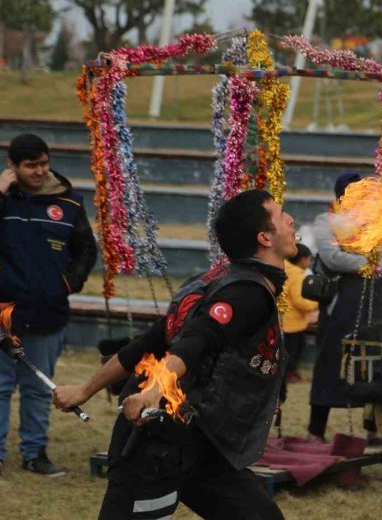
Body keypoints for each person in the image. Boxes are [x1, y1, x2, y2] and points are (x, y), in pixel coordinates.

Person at [53, 189, 295, 519]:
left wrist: (85, 390)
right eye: (282, 216)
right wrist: (153, 390)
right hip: (155, 443)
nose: (291, 220)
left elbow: (147, 345)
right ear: (264, 237)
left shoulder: (218, 281)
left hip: (202, 441)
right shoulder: (246, 294)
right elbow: (195, 340)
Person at [0, 134, 97, 479]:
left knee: (39, 387)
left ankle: (35, 453)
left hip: (48, 311)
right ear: (12, 165)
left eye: (44, 163)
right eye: (31, 165)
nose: (39, 171)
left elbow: (86, 251)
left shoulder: (70, 203)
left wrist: (66, 284)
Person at [308, 172, 382, 445]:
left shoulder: (378, 223)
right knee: (331, 361)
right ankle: (316, 430)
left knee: (375, 361)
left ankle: (374, 430)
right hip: (343, 301)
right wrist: (367, 265)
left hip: (376, 301)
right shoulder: (328, 221)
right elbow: (332, 258)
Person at [280, 243, 317, 383]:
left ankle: (288, 372)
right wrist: (316, 305)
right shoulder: (296, 274)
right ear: (302, 260)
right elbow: (299, 300)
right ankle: (289, 373)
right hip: (293, 323)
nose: (310, 263)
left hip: (285, 320)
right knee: (293, 350)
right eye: (309, 259)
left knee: (288, 350)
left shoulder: (284, 268)